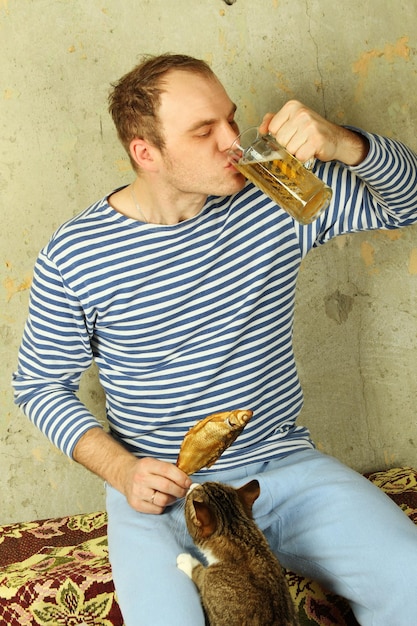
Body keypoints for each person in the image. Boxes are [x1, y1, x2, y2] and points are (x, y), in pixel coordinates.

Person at [13, 53, 417, 626]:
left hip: (282, 465)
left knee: (412, 579)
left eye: (231, 119)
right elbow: (38, 385)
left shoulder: (275, 191)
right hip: (162, 493)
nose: (233, 140)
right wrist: (123, 472)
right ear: (145, 152)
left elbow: (410, 203)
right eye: (204, 131)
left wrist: (346, 144)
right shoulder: (76, 254)